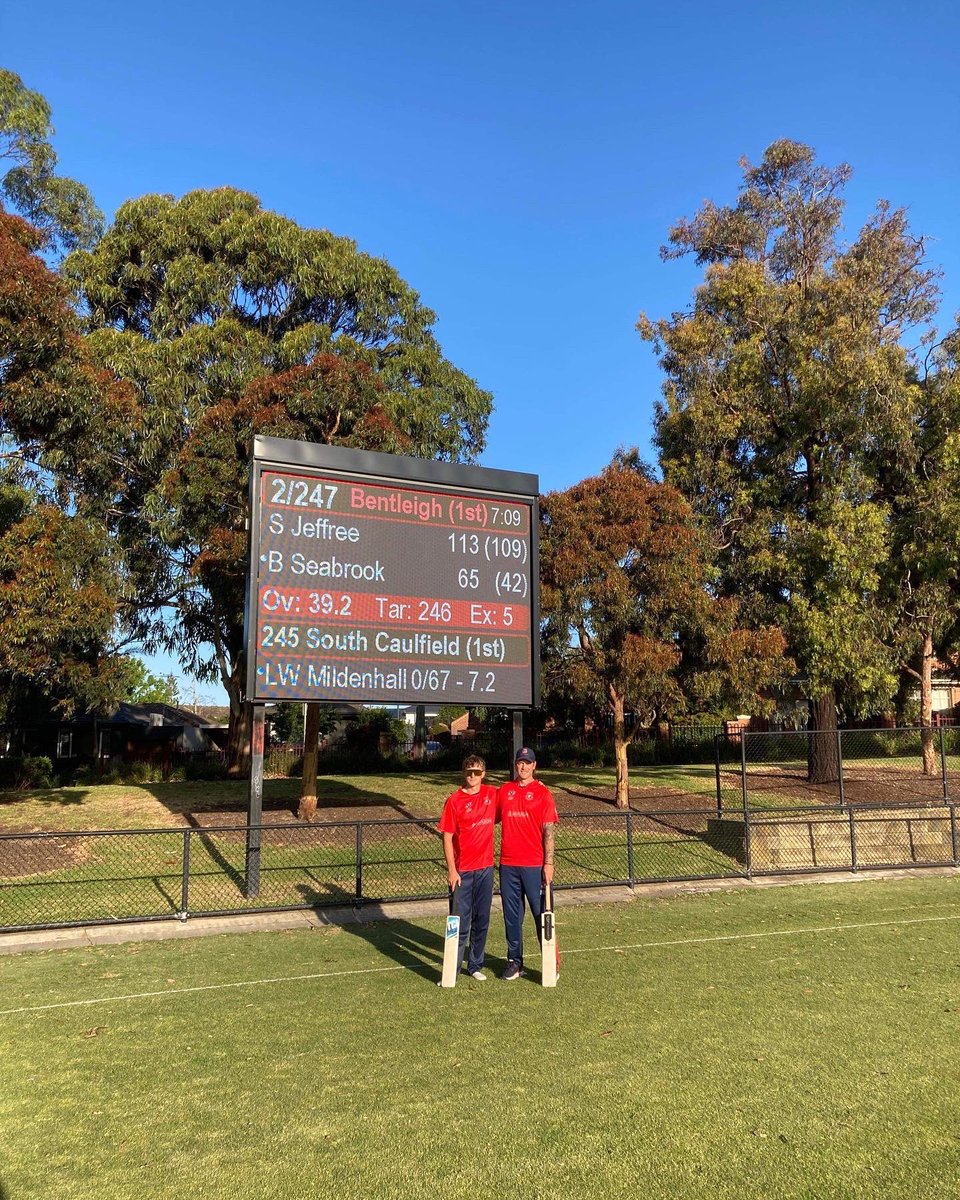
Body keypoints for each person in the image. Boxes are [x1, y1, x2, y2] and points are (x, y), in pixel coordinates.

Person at [497, 746, 558, 981]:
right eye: (520, 762)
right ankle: (515, 962)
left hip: (534, 865)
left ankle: (550, 962)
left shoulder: (543, 794)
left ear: (534, 766)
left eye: (527, 762)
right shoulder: (505, 791)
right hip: (508, 865)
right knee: (512, 916)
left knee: (541, 914)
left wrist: (548, 863)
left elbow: (549, 830)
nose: (523, 766)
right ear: (516, 764)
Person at [437, 754, 497, 981]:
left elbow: (515, 795)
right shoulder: (454, 800)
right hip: (462, 872)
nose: (473, 776)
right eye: (469, 772)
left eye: (477, 772)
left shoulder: (493, 794)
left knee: (481, 920)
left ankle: (475, 965)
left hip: (486, 869)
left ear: (484, 774)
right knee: (458, 922)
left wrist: (536, 783)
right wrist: (452, 870)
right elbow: (447, 836)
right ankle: (452, 970)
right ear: (464, 773)